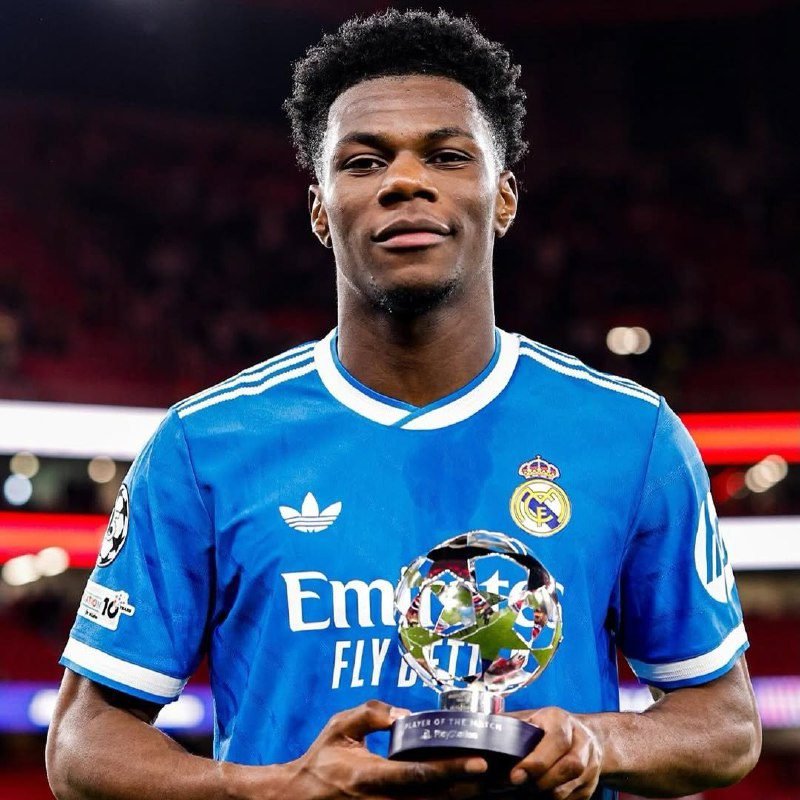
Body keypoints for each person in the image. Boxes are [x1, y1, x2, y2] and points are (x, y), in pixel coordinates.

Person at [46, 10, 761, 800]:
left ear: (504, 198)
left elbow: (725, 723)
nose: (405, 181)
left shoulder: (631, 436)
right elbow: (81, 743)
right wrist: (279, 786)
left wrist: (598, 740)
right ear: (320, 209)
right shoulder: (203, 443)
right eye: (364, 161)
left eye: (448, 156)